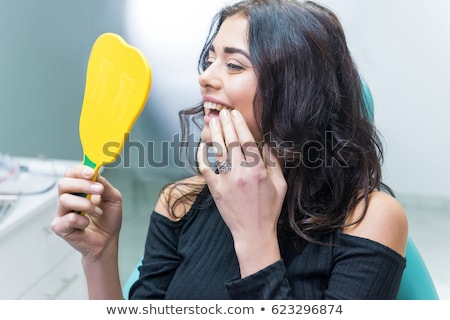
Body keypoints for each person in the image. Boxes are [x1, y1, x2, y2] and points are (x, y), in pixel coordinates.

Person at [52, 0, 408, 299]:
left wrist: (254, 238)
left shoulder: (368, 220)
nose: (205, 76)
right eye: (210, 59)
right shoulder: (180, 202)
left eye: (234, 64)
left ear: (299, 91)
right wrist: (99, 256)